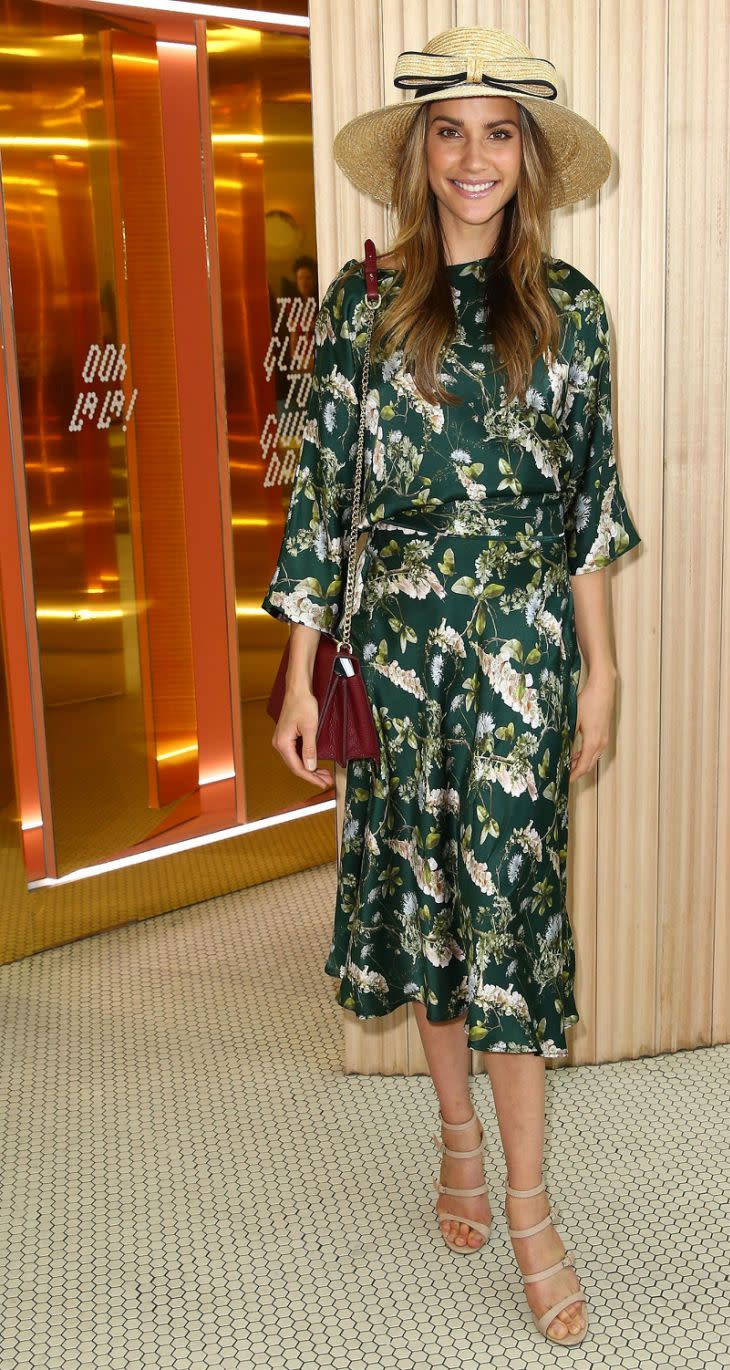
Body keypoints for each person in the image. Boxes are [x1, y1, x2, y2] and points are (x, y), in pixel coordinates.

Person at [261, 25, 642, 1348]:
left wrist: (599, 670)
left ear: (525, 158)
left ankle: (532, 1208)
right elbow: (321, 504)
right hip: (398, 656)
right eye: (448, 130)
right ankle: (456, 1141)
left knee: (517, 934)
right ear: (419, 155)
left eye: (497, 133)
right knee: (427, 923)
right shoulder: (365, 310)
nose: (473, 157)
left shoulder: (574, 309)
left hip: (525, 656)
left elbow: (590, 510)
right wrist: (300, 674)